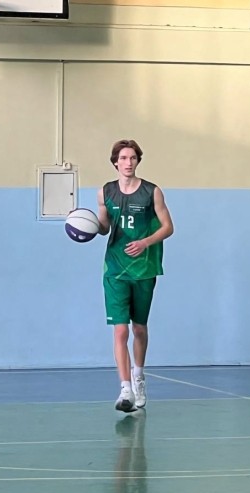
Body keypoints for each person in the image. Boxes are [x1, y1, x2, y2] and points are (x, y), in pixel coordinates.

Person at [97, 139, 174, 412]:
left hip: (143, 269)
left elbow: (168, 227)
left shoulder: (152, 192)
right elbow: (104, 227)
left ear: (138, 161)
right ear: (115, 162)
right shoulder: (105, 192)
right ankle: (125, 389)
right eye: (123, 158)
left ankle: (139, 377)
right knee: (120, 330)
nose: (128, 162)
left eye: (132, 158)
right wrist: (85, 224)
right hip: (115, 269)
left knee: (139, 328)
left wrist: (145, 242)